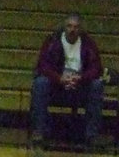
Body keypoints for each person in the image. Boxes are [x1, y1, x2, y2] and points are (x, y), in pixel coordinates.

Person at [29, 12, 105, 148]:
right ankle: (39, 131)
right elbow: (43, 65)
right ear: (64, 27)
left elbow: (96, 68)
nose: (72, 30)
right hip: (56, 85)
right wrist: (59, 78)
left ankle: (91, 135)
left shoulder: (88, 44)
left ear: (80, 29)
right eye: (69, 26)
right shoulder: (52, 41)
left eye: (75, 27)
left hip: (80, 86)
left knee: (97, 85)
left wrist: (80, 78)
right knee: (40, 83)